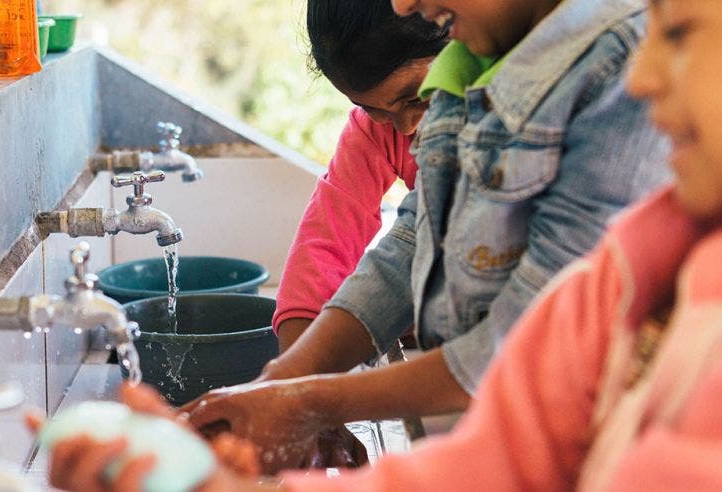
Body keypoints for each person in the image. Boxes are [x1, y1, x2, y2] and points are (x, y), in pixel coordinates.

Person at [36, 0, 722, 488]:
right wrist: (285, 386)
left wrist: (312, 401)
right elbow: (495, 456)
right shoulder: (614, 276)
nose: (644, 75)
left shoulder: (599, 91)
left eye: (682, 30)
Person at [184, 0, 673, 472]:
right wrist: (281, 382)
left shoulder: (616, 63)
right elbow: (413, 240)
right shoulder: (466, 62)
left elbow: (527, 341)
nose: (402, 4)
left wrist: (309, 402)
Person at [273, 0, 448, 353]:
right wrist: (287, 379)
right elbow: (324, 243)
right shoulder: (375, 131)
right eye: (372, 108)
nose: (405, 125)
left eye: (416, 99)